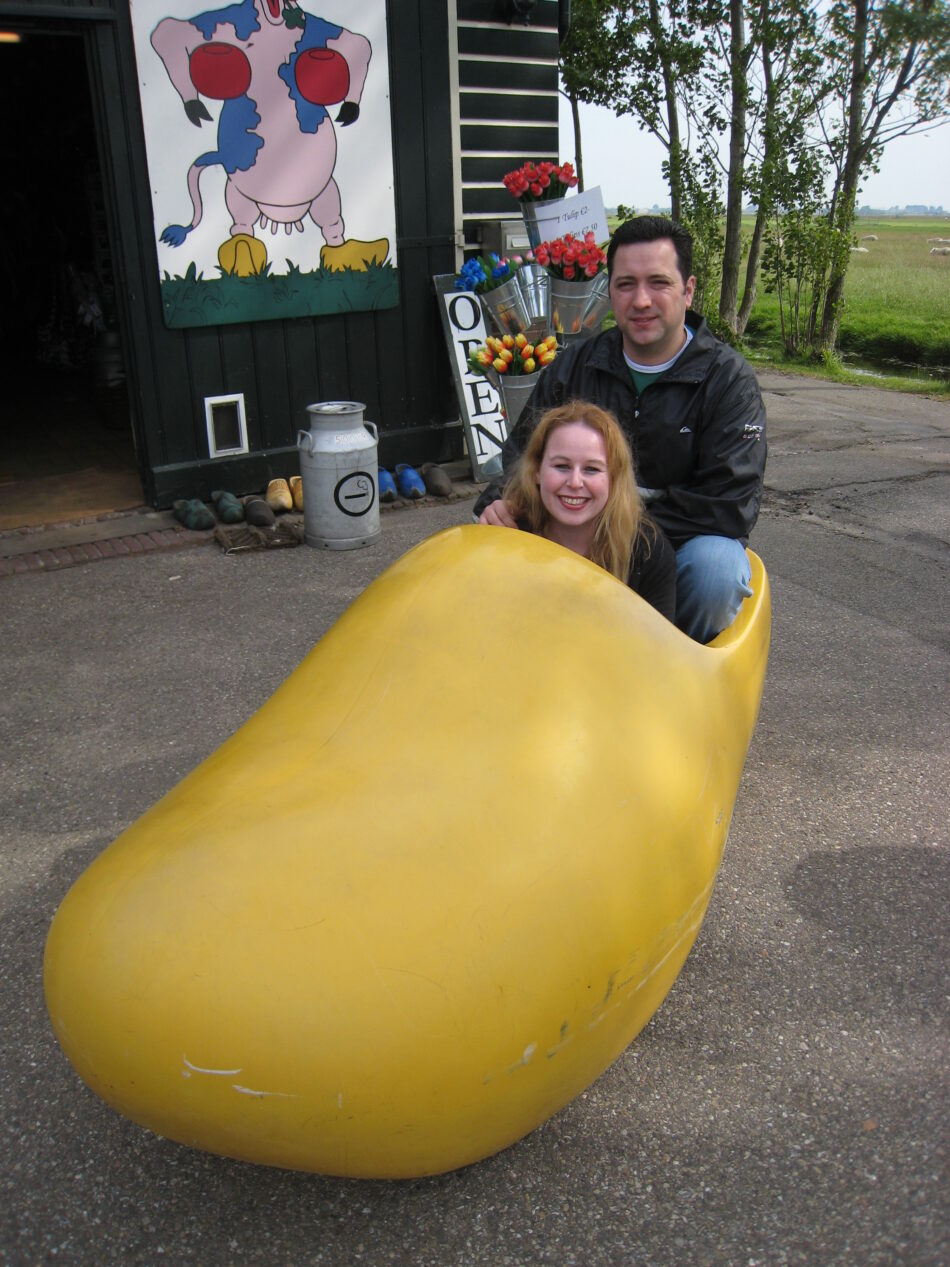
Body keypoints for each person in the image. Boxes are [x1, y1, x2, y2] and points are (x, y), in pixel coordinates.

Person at [474, 215, 767, 643]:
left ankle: (680, 673)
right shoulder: (577, 364)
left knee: (717, 573)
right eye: (626, 284)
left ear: (687, 290)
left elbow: (728, 504)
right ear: (610, 291)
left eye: (659, 283)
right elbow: (523, 453)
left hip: (671, 541)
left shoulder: (728, 382)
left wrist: (613, 528)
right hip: (578, 521)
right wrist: (499, 503)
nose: (641, 300)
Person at [489, 401, 677, 621]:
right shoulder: (508, 534)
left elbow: (657, 651)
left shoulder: (647, 551)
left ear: (613, 479)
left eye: (591, 469)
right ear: (537, 471)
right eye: (561, 466)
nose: (575, 482)